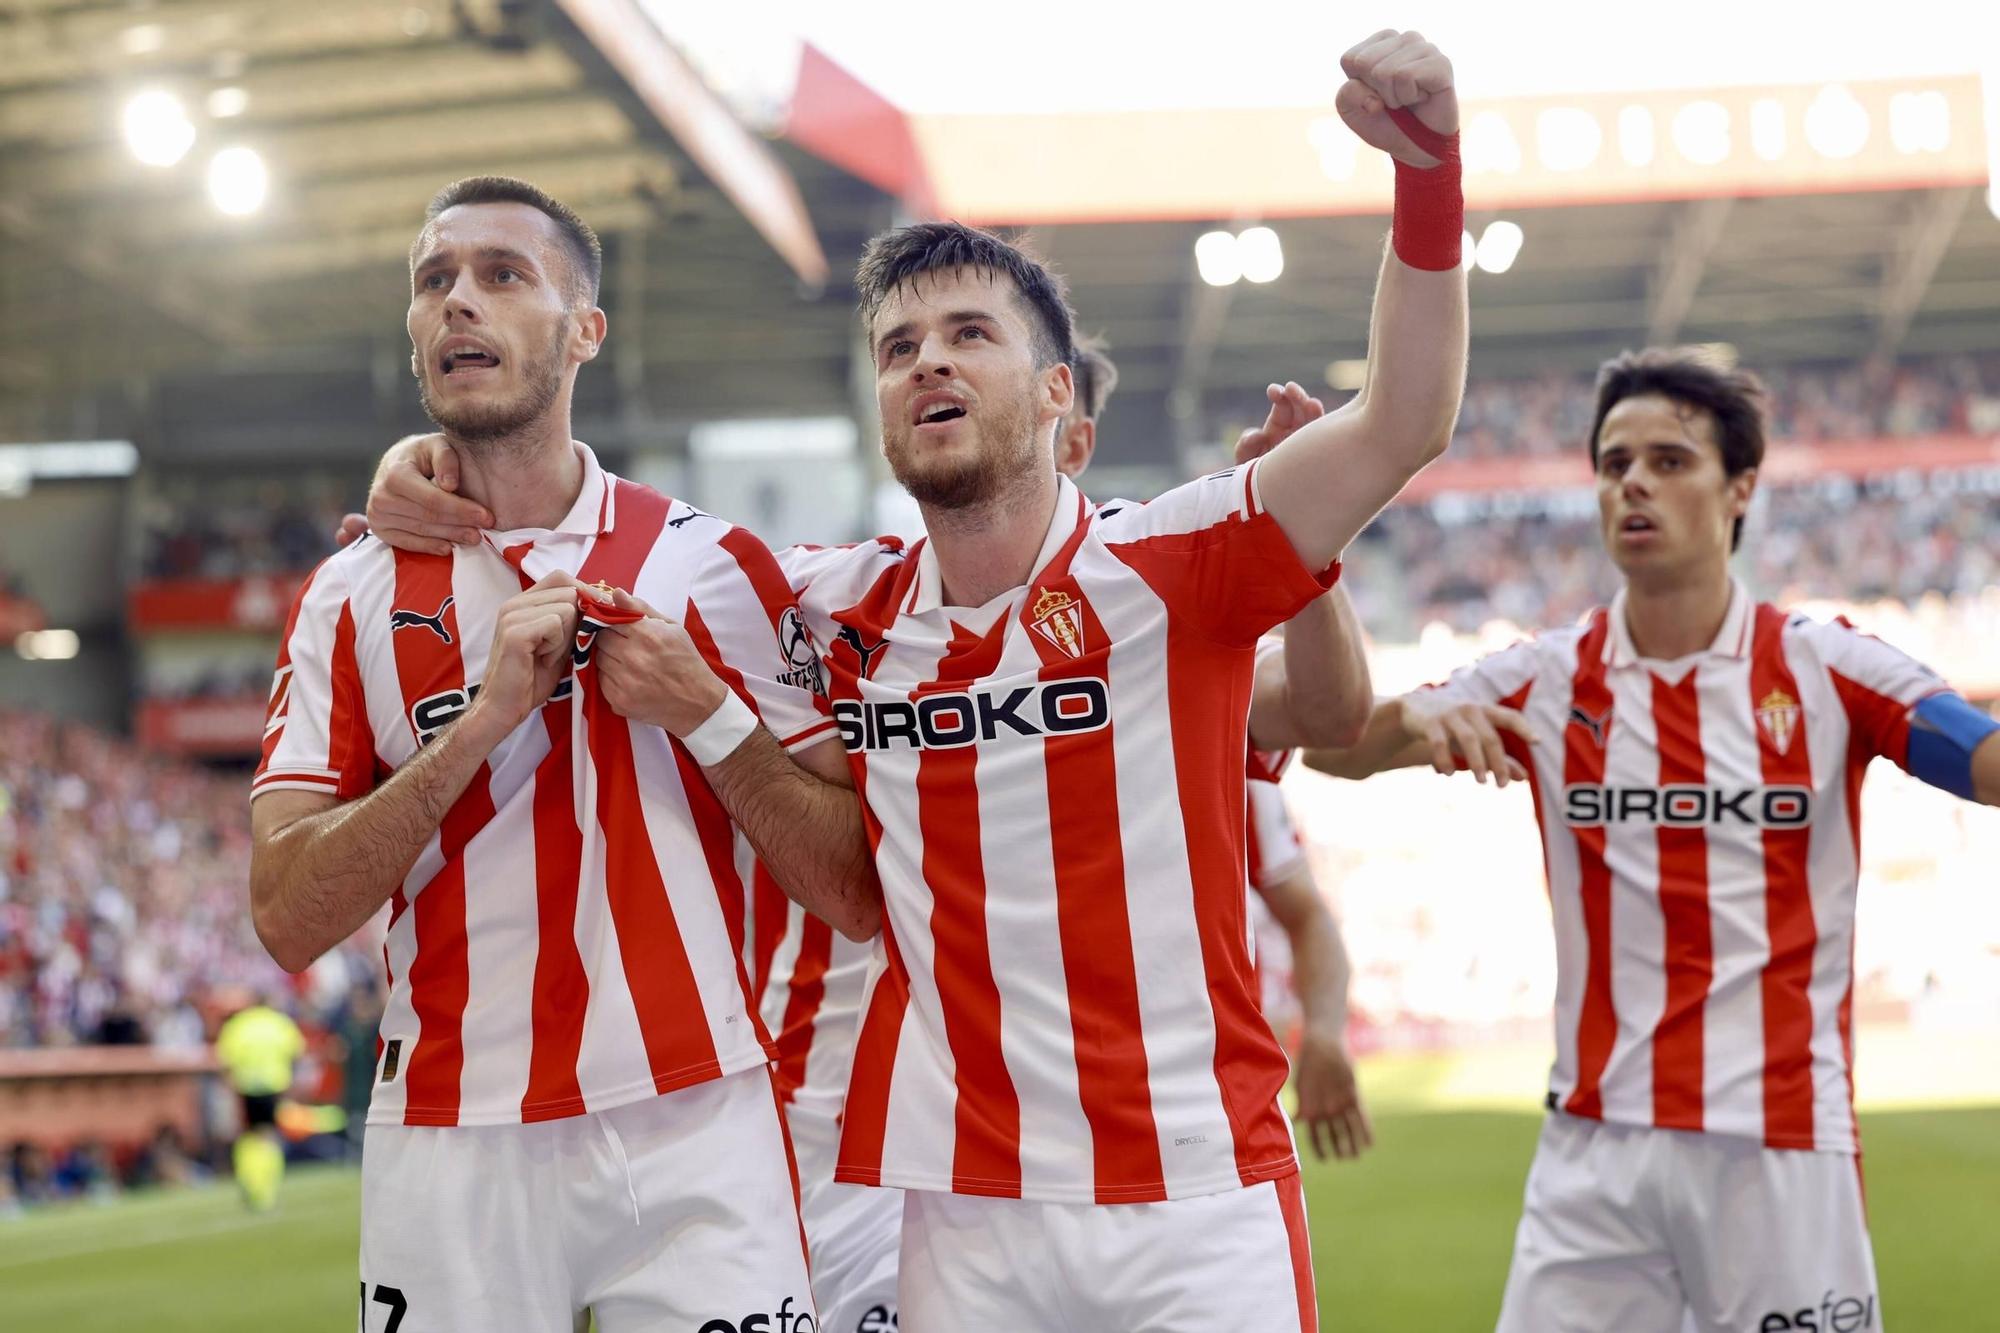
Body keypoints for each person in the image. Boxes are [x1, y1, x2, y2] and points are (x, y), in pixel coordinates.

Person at [347, 32, 1463, 1325]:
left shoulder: (1172, 565)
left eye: (970, 335)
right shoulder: (836, 605)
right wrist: (423, 466)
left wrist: (1427, 178)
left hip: (1197, 1203)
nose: (928, 359)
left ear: (1057, 396)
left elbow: (1405, 416)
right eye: (898, 346)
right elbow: (600, 538)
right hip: (963, 1214)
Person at [251, 176, 879, 1332]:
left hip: (698, 1114)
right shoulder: (347, 598)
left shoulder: (716, 566)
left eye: (502, 276)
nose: (457, 305)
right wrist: (478, 727)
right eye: (433, 281)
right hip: (449, 1139)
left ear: (584, 331)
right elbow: (286, 913)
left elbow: (850, 883)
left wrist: (707, 713)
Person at [1304, 346, 2000, 1332]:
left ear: (1738, 489)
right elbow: (1337, 751)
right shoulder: (1548, 676)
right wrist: (1414, 726)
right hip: (1592, 1151)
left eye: (1669, 460)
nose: (1631, 479)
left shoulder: (1826, 668)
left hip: (1777, 1147)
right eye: (1612, 460)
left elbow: (1985, 761)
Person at [214, 993, 305, 1211]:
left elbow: (225, 1060)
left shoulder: (238, 1025)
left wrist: (230, 1087)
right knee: (270, 1136)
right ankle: (267, 1189)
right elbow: (297, 1052)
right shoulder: (280, 1022)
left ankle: (248, 1179)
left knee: (247, 1136)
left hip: (245, 1087)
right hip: (274, 1086)